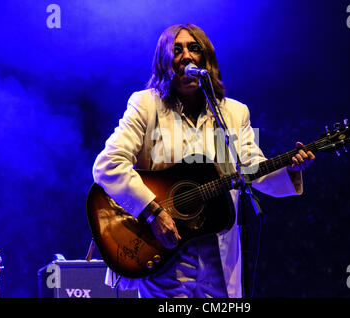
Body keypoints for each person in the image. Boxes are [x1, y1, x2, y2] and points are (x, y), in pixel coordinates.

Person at [92, 23, 315, 298]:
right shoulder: (145, 106)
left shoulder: (234, 113)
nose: (186, 55)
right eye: (176, 50)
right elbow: (108, 164)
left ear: (206, 58)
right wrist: (152, 211)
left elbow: (251, 169)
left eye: (194, 48)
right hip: (164, 255)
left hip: (218, 259)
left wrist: (290, 168)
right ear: (164, 62)